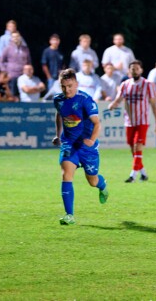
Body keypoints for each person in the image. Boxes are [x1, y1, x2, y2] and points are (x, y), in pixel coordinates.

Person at [51, 68, 110, 225]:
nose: (66, 89)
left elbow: (97, 123)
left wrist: (91, 140)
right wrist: (58, 134)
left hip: (86, 146)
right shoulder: (58, 99)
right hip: (69, 144)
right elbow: (59, 114)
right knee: (66, 175)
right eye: (63, 86)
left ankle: (103, 186)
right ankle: (69, 215)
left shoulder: (86, 100)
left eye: (70, 86)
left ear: (76, 84)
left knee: (92, 181)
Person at [109, 61, 156, 183]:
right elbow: (118, 99)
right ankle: (143, 173)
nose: (134, 71)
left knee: (138, 146)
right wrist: (113, 104)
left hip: (142, 121)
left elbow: (153, 105)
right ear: (129, 71)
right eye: (132, 69)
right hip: (129, 121)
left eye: (137, 69)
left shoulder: (148, 85)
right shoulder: (125, 84)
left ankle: (133, 175)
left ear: (141, 70)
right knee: (133, 148)